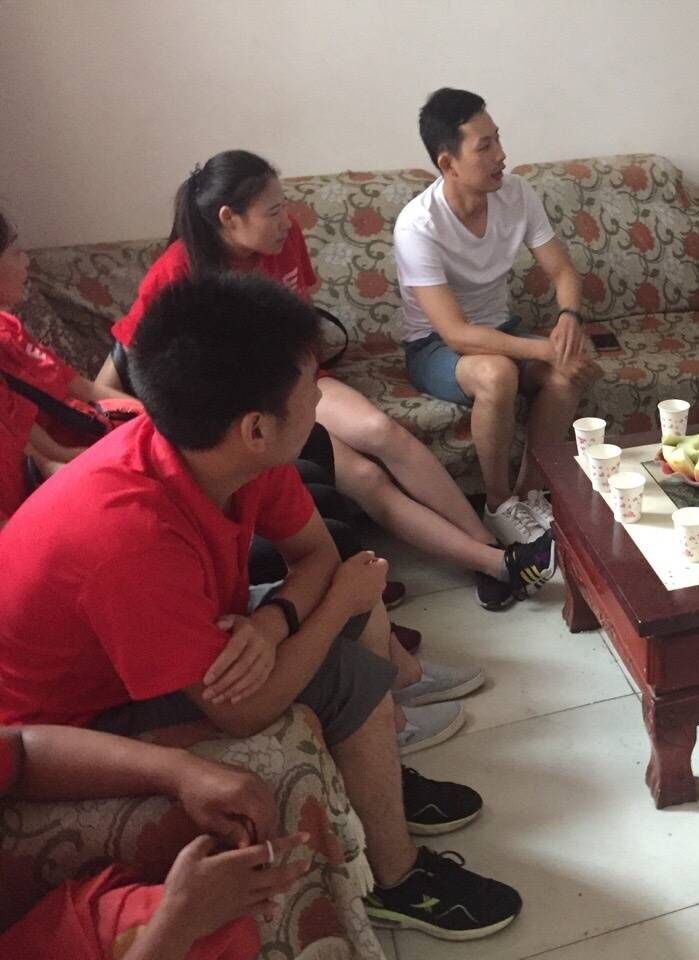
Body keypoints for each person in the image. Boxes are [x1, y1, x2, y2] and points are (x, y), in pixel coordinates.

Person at [0, 274, 523, 940]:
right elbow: (241, 709)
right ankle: (399, 879)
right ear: (255, 427)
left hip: (145, 651)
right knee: (343, 653)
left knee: (352, 597)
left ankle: (379, 776)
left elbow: (317, 554)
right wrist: (331, 607)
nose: (320, 397)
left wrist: (275, 621)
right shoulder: (127, 534)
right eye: (310, 389)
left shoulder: (228, 453)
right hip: (68, 723)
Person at [96, 150, 553, 611]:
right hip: (252, 414)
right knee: (365, 477)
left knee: (381, 431)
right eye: (272, 212)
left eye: (285, 207)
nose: (286, 221)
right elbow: (124, 360)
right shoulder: (178, 271)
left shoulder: (285, 238)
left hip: (300, 384)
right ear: (229, 218)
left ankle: (487, 546)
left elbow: (301, 320)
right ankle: (494, 563)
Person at [396, 87, 600, 544]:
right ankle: (497, 504)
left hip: (499, 329)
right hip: (435, 346)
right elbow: (455, 333)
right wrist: (544, 350)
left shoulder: (516, 193)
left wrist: (569, 318)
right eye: (484, 146)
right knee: (497, 374)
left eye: (498, 139)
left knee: (566, 374)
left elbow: (563, 271)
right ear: (448, 163)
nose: (501, 155)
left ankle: (529, 496)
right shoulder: (418, 225)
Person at [0, 724, 308, 959]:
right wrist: (177, 925)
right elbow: (244, 713)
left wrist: (181, 772)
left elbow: (21, 751)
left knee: (228, 927)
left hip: (60, 935)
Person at [0, 211, 137, 518]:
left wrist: (150, 420)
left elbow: (80, 389)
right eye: (16, 252)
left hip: (84, 440)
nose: (26, 262)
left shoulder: (9, 327)